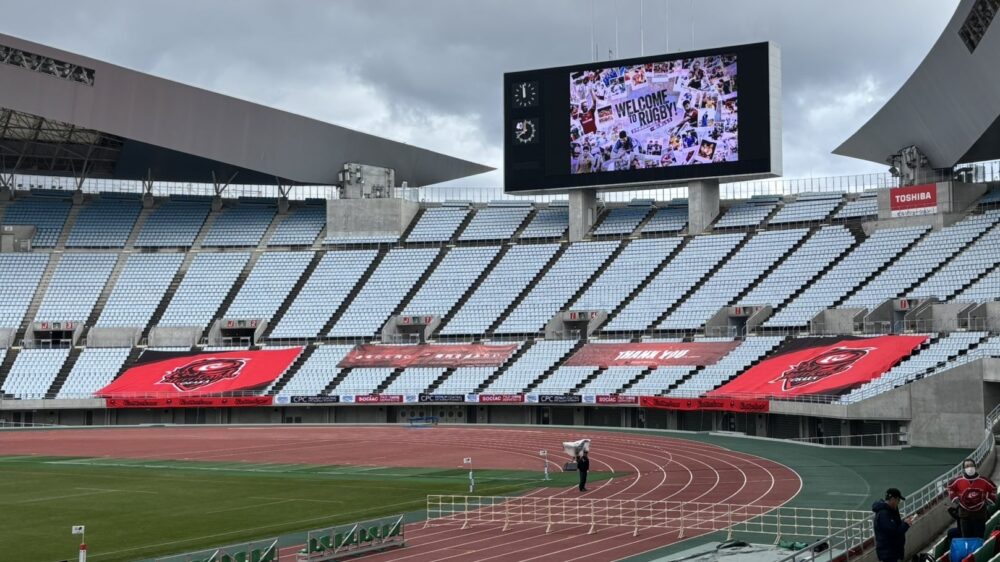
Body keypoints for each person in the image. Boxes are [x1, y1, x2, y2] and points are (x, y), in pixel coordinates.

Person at [947, 458, 998, 538]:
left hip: (980, 513)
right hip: (964, 514)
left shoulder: (984, 481)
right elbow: (950, 487)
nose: (969, 468)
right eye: (967, 466)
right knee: (966, 537)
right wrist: (954, 498)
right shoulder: (957, 481)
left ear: (975, 466)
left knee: (979, 536)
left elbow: (993, 489)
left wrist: (989, 500)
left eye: (971, 465)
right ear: (964, 469)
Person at [872, 488, 910, 562]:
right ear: (892, 499)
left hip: (893, 552)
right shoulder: (884, 514)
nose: (898, 502)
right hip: (888, 554)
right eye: (898, 500)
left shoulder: (891, 510)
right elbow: (893, 533)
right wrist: (905, 524)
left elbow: (895, 526)